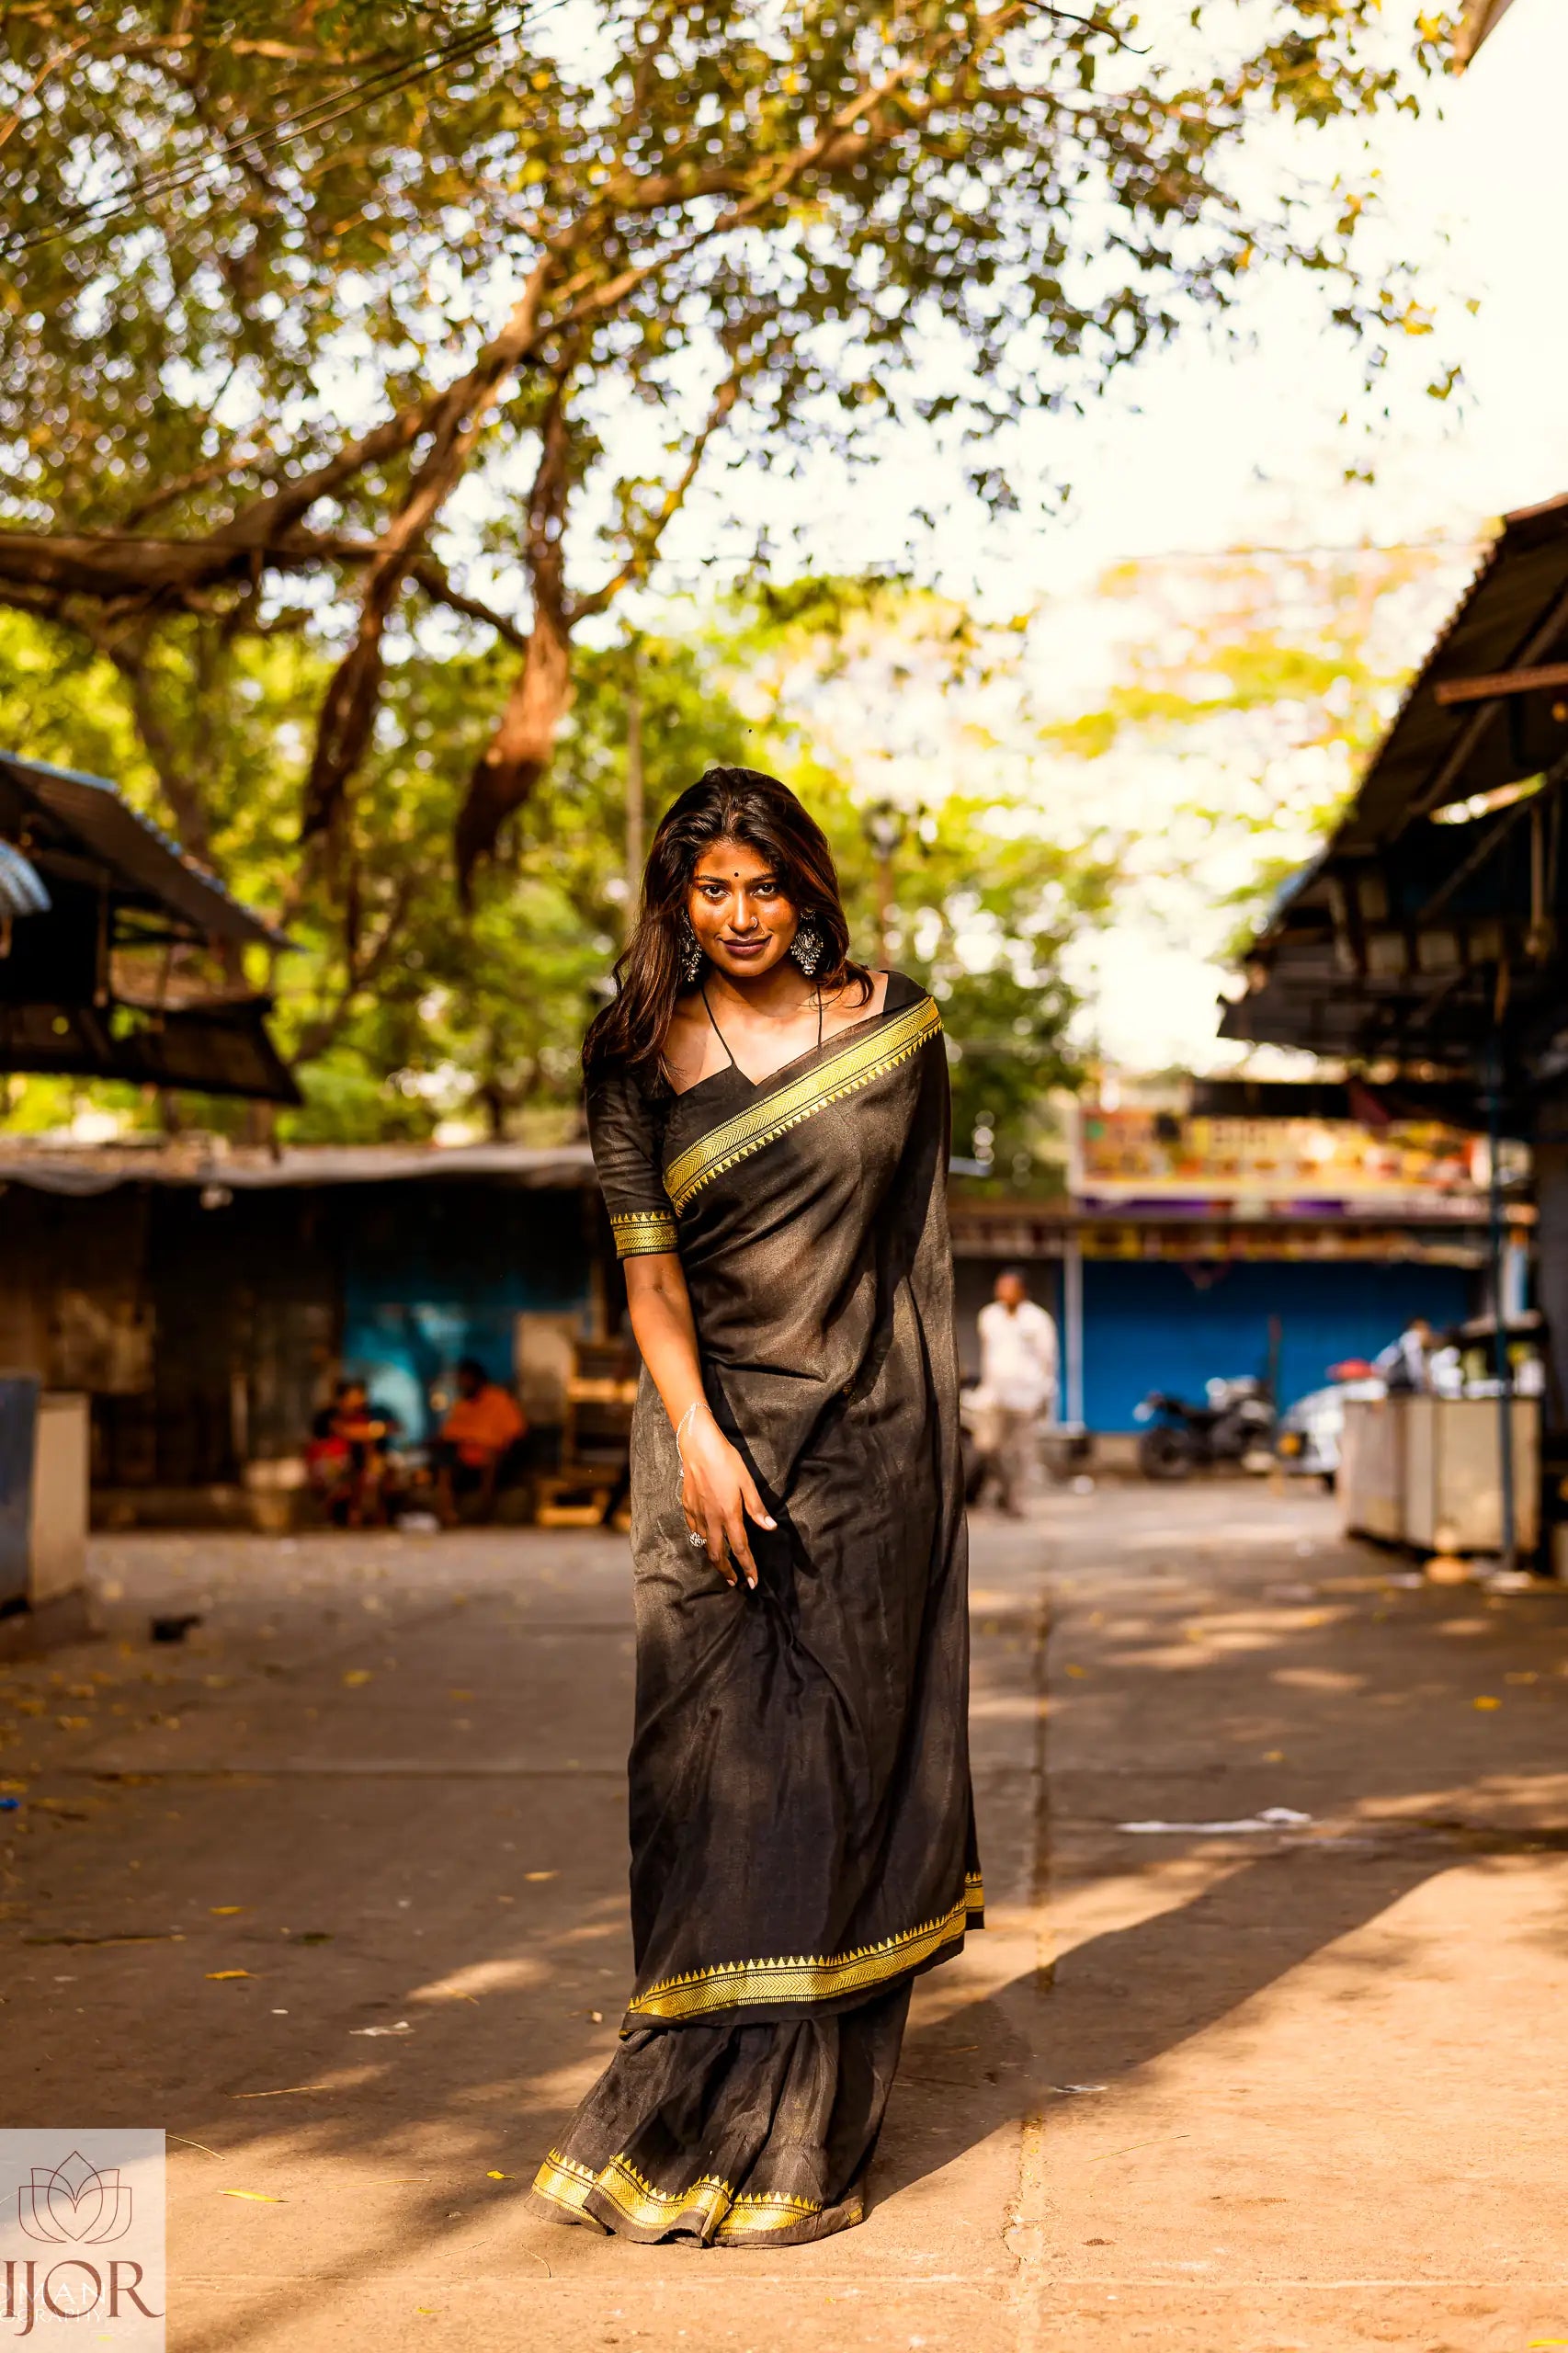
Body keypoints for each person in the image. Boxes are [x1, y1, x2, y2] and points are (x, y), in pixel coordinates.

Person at [531, 767, 978, 2248]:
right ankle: (679, 2117)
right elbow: (649, 1278)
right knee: (708, 1784)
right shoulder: (632, 1055)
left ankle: (793, 2141)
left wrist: (908, 1453)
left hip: (868, 1460)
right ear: (676, 899)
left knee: (839, 1779)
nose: (735, 915)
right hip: (706, 1460)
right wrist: (702, 1440)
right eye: (709, 890)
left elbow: (908, 1263)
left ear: (805, 888)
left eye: (762, 886)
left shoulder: (896, 1031)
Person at [971, 1268, 1058, 1514]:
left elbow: (1047, 1359)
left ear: (1021, 1290)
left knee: (1020, 1453)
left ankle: (1015, 1502)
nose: (1003, 1292)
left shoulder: (1037, 1320)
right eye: (1001, 1287)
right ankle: (1002, 1491)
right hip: (994, 1396)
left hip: (1025, 1398)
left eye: (1009, 1287)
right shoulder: (989, 1317)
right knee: (988, 1447)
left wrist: (1044, 1394)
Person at [434, 1358, 527, 1524]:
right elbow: (449, 1433)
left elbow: (515, 1431)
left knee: (490, 1457)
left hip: (496, 1454)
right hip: (465, 1455)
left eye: (466, 1380)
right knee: (444, 1460)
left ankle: (485, 1510)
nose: (462, 1384)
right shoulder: (461, 1406)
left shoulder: (499, 1400)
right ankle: (447, 1513)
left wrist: (483, 1441)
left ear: (478, 1379)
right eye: (460, 1380)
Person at [305, 1378, 401, 1527]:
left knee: (378, 1471)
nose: (361, 1399)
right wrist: (376, 1430)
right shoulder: (329, 1415)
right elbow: (348, 1432)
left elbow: (393, 1428)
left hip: (359, 1463)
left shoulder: (369, 1413)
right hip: (333, 1465)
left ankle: (371, 1516)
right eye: (356, 1395)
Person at [1375, 1314, 1436, 1395]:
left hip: (1403, 1387)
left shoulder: (1406, 1343)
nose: (1427, 1333)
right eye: (1424, 1329)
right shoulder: (1410, 1341)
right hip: (1398, 1387)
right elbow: (1415, 1369)